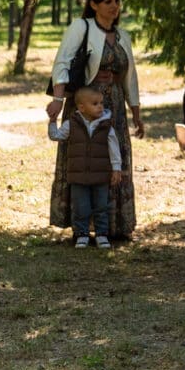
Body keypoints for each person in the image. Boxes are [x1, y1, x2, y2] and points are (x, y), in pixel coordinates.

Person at [46, 0, 143, 241]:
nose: (114, 6)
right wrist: (57, 99)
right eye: (108, 1)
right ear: (93, 4)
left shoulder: (122, 35)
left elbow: (130, 76)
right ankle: (81, 225)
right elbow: (62, 62)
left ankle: (113, 225)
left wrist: (136, 112)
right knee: (86, 160)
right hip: (85, 106)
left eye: (117, 1)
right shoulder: (82, 27)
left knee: (112, 159)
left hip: (115, 110)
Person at [47, 87, 122, 250]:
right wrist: (52, 121)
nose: (100, 107)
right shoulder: (71, 124)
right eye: (95, 104)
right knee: (81, 207)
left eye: (101, 103)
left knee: (101, 206)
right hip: (78, 176)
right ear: (81, 107)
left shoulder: (106, 126)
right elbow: (56, 136)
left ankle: (102, 234)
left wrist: (116, 169)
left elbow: (114, 149)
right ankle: (82, 234)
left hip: (101, 176)